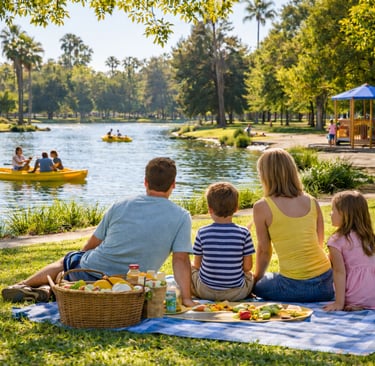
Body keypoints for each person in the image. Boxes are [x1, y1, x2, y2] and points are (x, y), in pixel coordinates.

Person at [2, 157, 196, 307]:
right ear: (173, 185)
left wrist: (81, 259)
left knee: (68, 261)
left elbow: (92, 243)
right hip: (135, 285)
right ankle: (48, 290)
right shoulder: (181, 216)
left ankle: (23, 285)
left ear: (145, 182)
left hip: (92, 273)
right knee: (78, 275)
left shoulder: (121, 205)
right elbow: (180, 260)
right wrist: (186, 298)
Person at [252, 148, 334, 302]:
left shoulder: (262, 206)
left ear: (265, 175)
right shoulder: (312, 201)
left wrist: (256, 280)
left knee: (258, 285)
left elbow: (264, 250)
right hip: (326, 284)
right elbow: (319, 241)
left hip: (293, 287)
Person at [191, 182, 255, 301]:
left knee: (190, 268)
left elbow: (197, 265)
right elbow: (247, 267)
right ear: (236, 208)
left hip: (205, 292)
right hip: (236, 294)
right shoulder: (244, 233)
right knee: (250, 275)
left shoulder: (202, 232)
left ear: (210, 210)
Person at [323, 191, 375, 311]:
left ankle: (356, 303)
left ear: (344, 214)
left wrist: (339, 303)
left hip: (355, 295)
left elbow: (339, 272)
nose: (330, 214)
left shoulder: (336, 241)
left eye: (333, 210)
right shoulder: (370, 238)